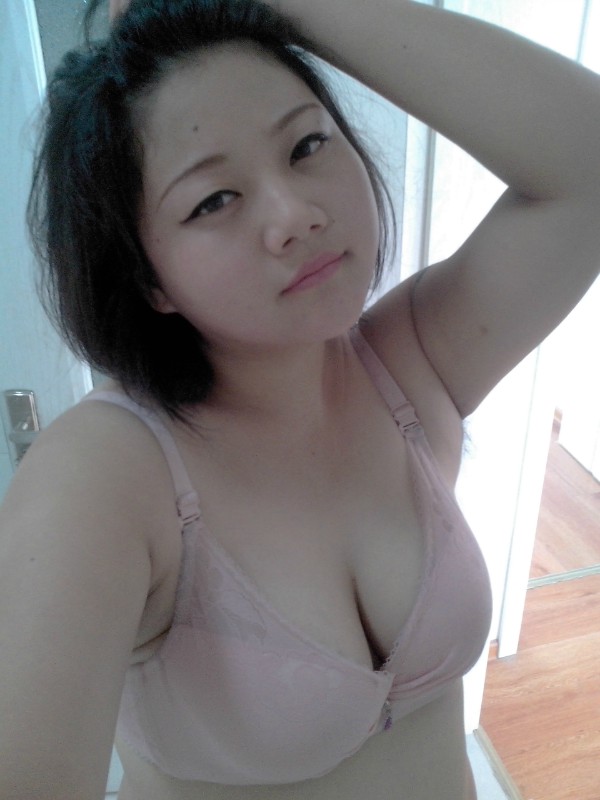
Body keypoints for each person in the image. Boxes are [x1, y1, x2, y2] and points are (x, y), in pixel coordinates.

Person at [1, 0, 599, 798]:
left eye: (306, 145)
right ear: (147, 279)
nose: (296, 215)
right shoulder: (104, 477)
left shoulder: (409, 363)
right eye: (214, 200)